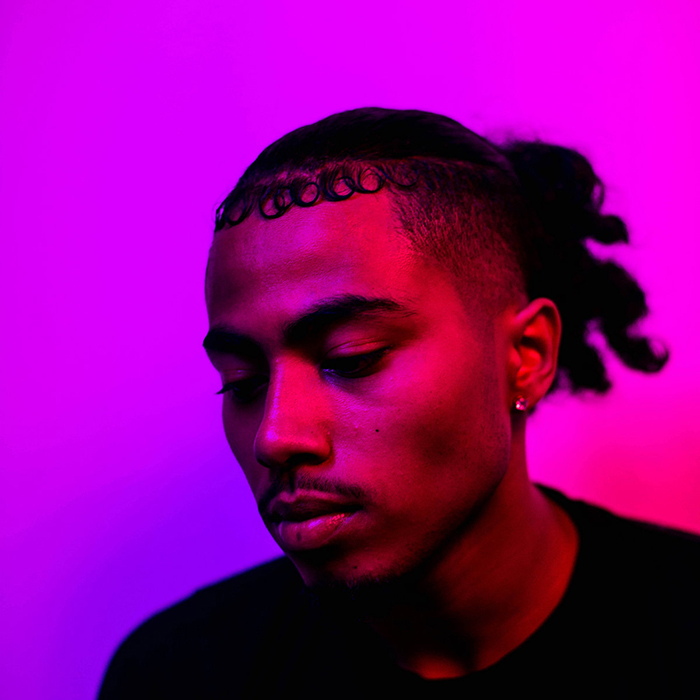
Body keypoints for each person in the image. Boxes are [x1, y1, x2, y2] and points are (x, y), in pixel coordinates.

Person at [98, 108, 700, 698]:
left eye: (352, 358)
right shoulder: (180, 676)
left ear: (526, 356)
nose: (275, 437)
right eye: (243, 381)